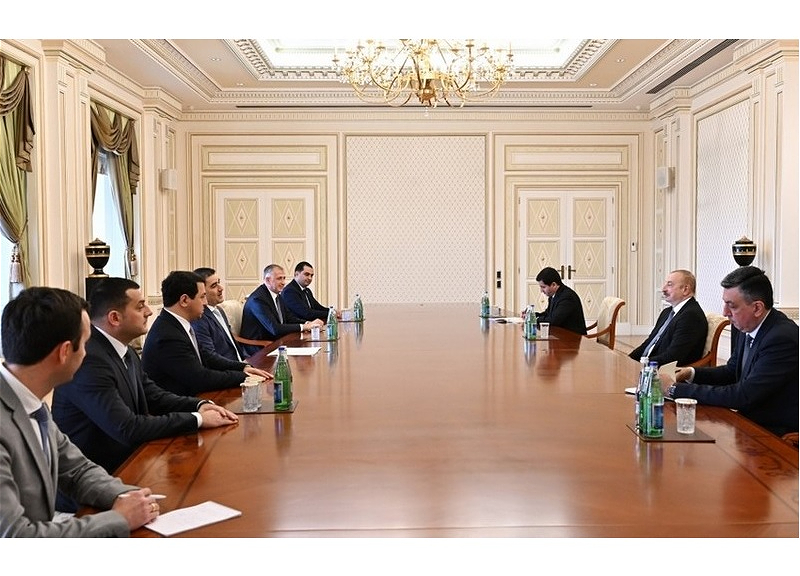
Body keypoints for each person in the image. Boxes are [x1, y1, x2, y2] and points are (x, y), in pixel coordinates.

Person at [52, 278, 239, 503]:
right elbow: (127, 427)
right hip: (94, 488)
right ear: (114, 318)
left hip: (131, 466)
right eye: (140, 306)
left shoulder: (125, 350)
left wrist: (200, 405)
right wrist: (197, 419)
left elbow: (154, 396)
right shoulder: (90, 360)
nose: (149, 311)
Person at [1, 287, 159, 537]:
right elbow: (17, 536)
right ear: (65, 352)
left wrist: (129, 496)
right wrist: (119, 518)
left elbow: (77, 470)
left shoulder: (29, 401)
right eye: (85, 343)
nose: (88, 352)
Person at [666, 266, 798, 437]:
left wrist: (674, 390)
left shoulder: (781, 338)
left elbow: (743, 396)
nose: (725, 312)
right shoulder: (747, 326)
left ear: (757, 308)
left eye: (732, 306)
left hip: (774, 434)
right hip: (747, 423)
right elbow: (731, 371)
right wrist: (690, 373)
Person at [142, 271, 272, 396]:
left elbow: (208, 358)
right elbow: (199, 378)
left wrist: (243, 368)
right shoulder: (168, 336)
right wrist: (244, 377)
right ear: (184, 300)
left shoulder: (178, 324)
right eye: (202, 297)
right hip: (180, 404)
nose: (205, 303)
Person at [239, 264, 324, 356]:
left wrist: (309, 324)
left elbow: (289, 318)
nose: (283, 282)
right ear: (268, 280)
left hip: (276, 343)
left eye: (284, 278)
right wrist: (305, 327)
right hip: (259, 349)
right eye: (279, 278)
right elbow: (274, 328)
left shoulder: (277, 295)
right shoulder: (258, 299)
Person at [628, 269, 708, 366]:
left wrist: (642, 365)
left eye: (669, 285)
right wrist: (628, 359)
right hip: (650, 365)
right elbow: (649, 343)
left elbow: (673, 357)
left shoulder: (691, 316)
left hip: (664, 371)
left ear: (685, 289)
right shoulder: (667, 312)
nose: (663, 289)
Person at [191, 267, 248, 364]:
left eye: (218, 283)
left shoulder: (220, 310)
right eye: (214, 286)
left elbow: (232, 344)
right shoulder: (199, 318)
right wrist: (241, 368)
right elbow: (210, 357)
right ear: (201, 291)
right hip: (227, 369)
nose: (221, 288)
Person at [525, 267, 587, 335]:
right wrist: (531, 315)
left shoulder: (567, 297)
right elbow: (548, 314)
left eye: (543, 287)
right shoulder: (554, 295)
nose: (541, 291)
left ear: (554, 285)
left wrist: (534, 320)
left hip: (573, 338)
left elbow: (553, 320)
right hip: (560, 335)